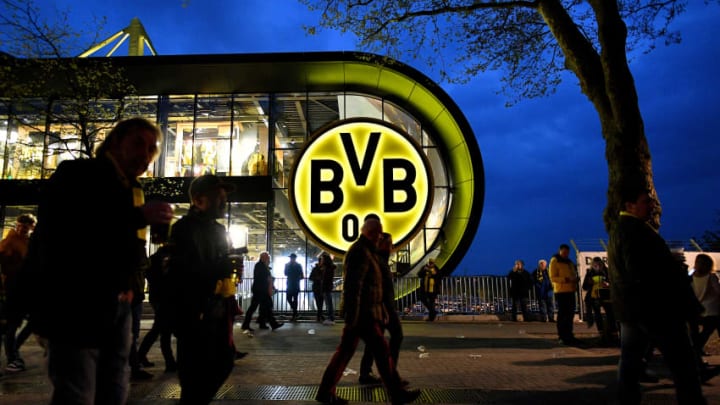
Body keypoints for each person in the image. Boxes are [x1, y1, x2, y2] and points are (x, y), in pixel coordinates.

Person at [24, 117, 174, 404]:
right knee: (77, 390)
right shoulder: (78, 174)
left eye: (151, 148)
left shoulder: (133, 188)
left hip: (117, 304)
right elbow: (68, 230)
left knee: (114, 388)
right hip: (75, 303)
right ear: (115, 143)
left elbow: (127, 248)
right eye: (138, 144)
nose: (145, 154)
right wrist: (138, 216)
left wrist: (130, 286)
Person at [608, 186, 706, 405]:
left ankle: (626, 399)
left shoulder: (621, 230)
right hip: (656, 309)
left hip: (633, 309)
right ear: (629, 205)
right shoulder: (635, 231)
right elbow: (642, 271)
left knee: (630, 361)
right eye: (646, 201)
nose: (652, 206)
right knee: (682, 362)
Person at [316, 217, 420, 405]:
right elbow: (354, 286)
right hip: (363, 316)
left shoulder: (366, 251)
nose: (380, 236)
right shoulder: (361, 252)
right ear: (371, 233)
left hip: (365, 314)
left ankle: (325, 392)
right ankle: (397, 395)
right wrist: (354, 316)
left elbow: (369, 286)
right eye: (378, 232)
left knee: (349, 354)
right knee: (380, 354)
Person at [165, 174, 239, 404]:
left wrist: (229, 270)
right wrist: (220, 267)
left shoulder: (217, 230)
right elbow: (183, 272)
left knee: (223, 361)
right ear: (198, 200)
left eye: (224, 197)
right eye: (218, 197)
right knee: (194, 376)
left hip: (216, 310)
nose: (224, 203)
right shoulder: (184, 229)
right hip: (193, 313)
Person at [359, 232, 406, 386]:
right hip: (382, 307)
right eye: (389, 242)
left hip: (381, 307)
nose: (391, 245)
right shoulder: (379, 259)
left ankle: (370, 373)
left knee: (375, 342)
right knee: (393, 337)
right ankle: (390, 375)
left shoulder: (379, 259)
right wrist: (385, 306)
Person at [0, 213, 36, 373]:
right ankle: (13, 358)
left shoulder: (30, 242)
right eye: (20, 226)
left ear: (31, 228)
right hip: (13, 289)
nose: (21, 229)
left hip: (26, 289)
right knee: (12, 325)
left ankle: (14, 353)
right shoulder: (10, 241)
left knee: (31, 322)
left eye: (25, 227)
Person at [136, 245, 177, 373]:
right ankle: (169, 362)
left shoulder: (157, 259)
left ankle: (141, 356)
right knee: (162, 330)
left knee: (160, 329)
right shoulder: (159, 261)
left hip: (161, 298)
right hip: (162, 299)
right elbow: (158, 278)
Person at [241, 252, 284, 331]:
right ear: (263, 258)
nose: (269, 259)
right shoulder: (260, 266)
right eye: (267, 258)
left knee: (265, 307)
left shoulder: (262, 266)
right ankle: (249, 324)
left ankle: (264, 324)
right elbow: (263, 277)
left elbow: (266, 277)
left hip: (261, 290)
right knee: (257, 307)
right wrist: (269, 280)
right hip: (260, 290)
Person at [549, 244, 581, 346]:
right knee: (563, 314)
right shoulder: (555, 261)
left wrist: (575, 279)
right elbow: (553, 277)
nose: (566, 254)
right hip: (561, 291)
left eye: (567, 252)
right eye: (564, 252)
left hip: (571, 291)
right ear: (560, 251)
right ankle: (562, 336)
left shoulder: (569, 262)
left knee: (570, 314)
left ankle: (569, 335)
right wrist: (566, 280)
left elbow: (573, 274)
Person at [582, 257, 617, 346]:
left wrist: (607, 284)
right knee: (598, 316)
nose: (597, 267)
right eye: (595, 265)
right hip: (595, 297)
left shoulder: (607, 271)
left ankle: (614, 335)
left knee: (611, 315)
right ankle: (601, 335)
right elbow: (584, 287)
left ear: (602, 264)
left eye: (599, 265)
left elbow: (613, 282)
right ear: (592, 265)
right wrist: (590, 283)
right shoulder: (589, 273)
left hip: (606, 296)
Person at [690, 254, 720, 360]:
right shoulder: (711, 277)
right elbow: (718, 292)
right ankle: (696, 349)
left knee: (703, 331)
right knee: (708, 331)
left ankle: (696, 349)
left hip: (698, 308)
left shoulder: (692, 277)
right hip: (713, 309)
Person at [285, 253, 304, 322]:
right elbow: (285, 273)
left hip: (293, 284)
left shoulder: (295, 265)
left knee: (293, 299)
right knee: (289, 298)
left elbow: (302, 275)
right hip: (293, 284)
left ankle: (294, 314)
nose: (291, 259)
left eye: (292, 258)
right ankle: (295, 312)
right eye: (291, 258)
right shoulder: (296, 265)